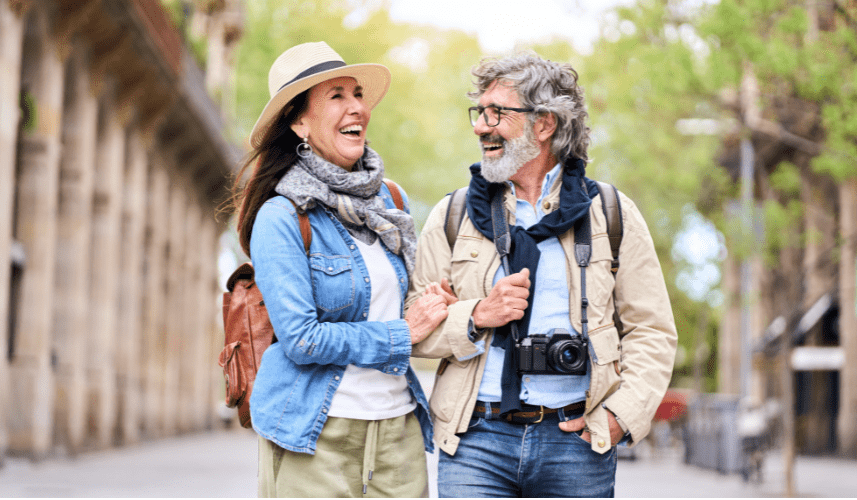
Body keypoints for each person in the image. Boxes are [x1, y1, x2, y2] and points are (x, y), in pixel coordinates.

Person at [407, 53, 678, 497]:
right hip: (475, 440)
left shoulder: (610, 213)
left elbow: (651, 330)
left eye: (497, 113)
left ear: (544, 124)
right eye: (479, 113)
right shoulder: (453, 215)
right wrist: (476, 316)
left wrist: (620, 417)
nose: (480, 126)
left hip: (577, 441)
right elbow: (413, 327)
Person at [230, 41, 447, 498]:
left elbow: (403, 301)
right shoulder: (282, 217)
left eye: (357, 93)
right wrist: (401, 333)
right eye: (336, 96)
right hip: (315, 433)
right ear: (299, 121)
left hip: (398, 432)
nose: (357, 108)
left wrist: (434, 304)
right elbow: (303, 338)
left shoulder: (392, 201)